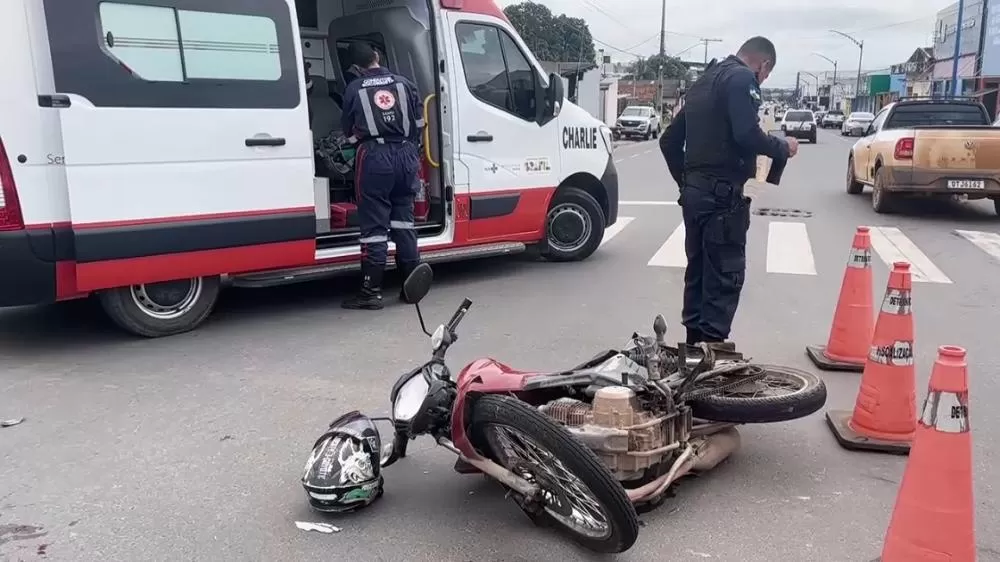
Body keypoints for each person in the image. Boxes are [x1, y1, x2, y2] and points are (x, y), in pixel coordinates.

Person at [660, 36, 799, 346]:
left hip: (695, 199)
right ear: (764, 64)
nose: (762, 80)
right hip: (722, 201)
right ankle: (710, 360)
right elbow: (747, 133)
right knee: (723, 279)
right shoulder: (742, 79)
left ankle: (691, 354)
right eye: (766, 75)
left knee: (697, 276)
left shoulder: (703, 82)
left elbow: (668, 141)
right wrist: (782, 147)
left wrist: (687, 184)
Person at [339, 42, 424, 310]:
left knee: (375, 226)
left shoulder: (354, 88)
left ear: (356, 66)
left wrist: (361, 143)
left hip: (375, 157)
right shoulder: (405, 83)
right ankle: (411, 288)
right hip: (407, 154)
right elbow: (419, 123)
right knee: (404, 222)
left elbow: (348, 131)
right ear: (377, 56)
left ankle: (371, 292)